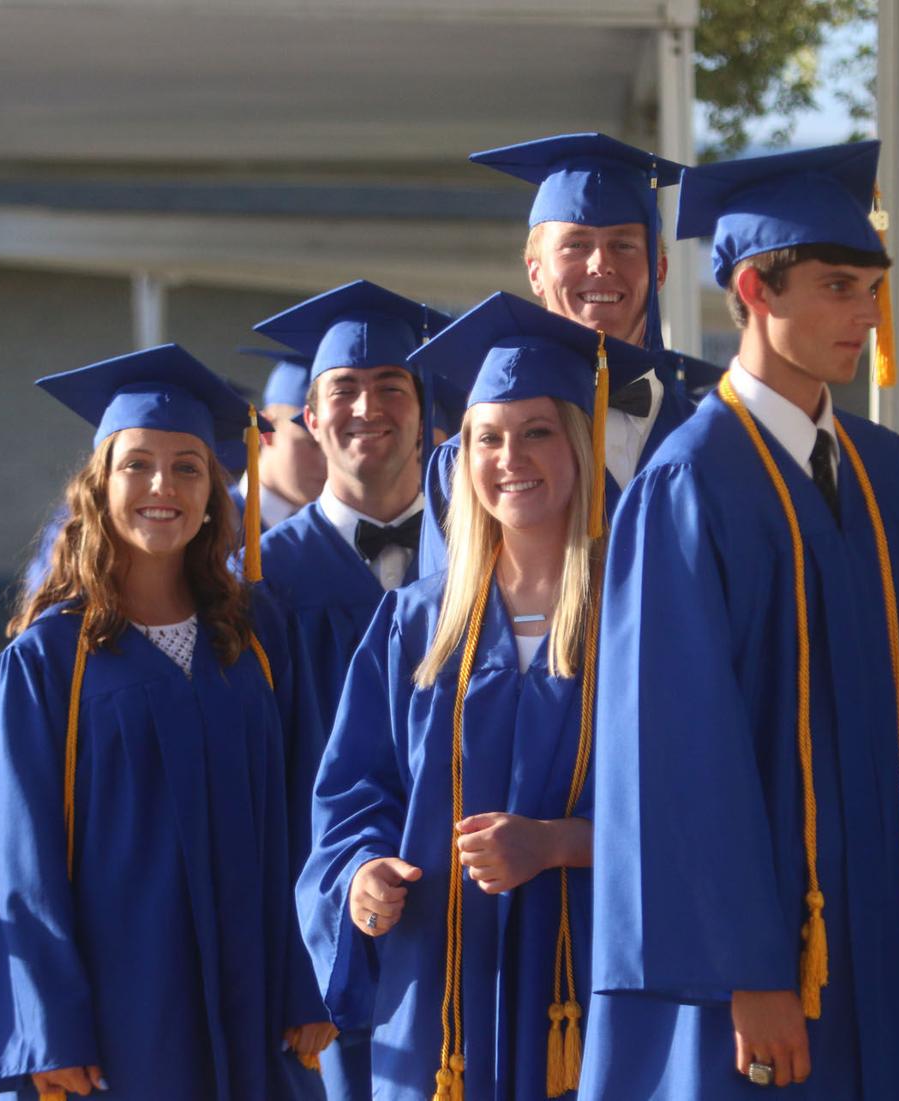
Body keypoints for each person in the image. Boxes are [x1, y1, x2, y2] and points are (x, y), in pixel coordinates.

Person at [579, 142, 899, 1100]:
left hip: (896, 937)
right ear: (756, 289)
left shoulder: (888, 472)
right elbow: (675, 756)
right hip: (770, 967)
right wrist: (746, 970)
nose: (867, 314)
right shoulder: (689, 483)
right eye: (839, 287)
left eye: (872, 289)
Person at [0, 344, 331, 1100]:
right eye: (137, 464)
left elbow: (302, 812)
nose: (162, 486)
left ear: (214, 490)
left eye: (187, 467)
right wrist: (48, 1025)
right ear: (99, 486)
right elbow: (16, 861)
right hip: (118, 1012)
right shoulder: (48, 662)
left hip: (252, 995)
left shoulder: (255, 637)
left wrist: (305, 978)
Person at [297, 291, 651, 1101]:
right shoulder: (416, 624)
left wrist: (558, 843)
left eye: (538, 432)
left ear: (582, 440)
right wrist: (360, 874)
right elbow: (354, 791)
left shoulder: (638, 614)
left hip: (596, 990)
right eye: (488, 436)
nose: (510, 456)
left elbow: (692, 808)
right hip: (440, 1002)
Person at [252, 280, 451, 1101]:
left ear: (426, 413)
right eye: (343, 389)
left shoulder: (484, 562)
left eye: (391, 385)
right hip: (316, 947)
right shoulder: (259, 585)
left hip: (463, 929)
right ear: (309, 416)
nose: (367, 407)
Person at [419, 132, 722, 575]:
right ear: (535, 273)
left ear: (659, 270)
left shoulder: (714, 446)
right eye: (575, 245)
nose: (600, 264)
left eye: (623, 245)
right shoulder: (473, 464)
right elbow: (455, 610)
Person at [238, 351, 327, 530]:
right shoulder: (208, 528)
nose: (328, 462)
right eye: (313, 443)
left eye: (336, 445)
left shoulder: (348, 534)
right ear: (264, 429)